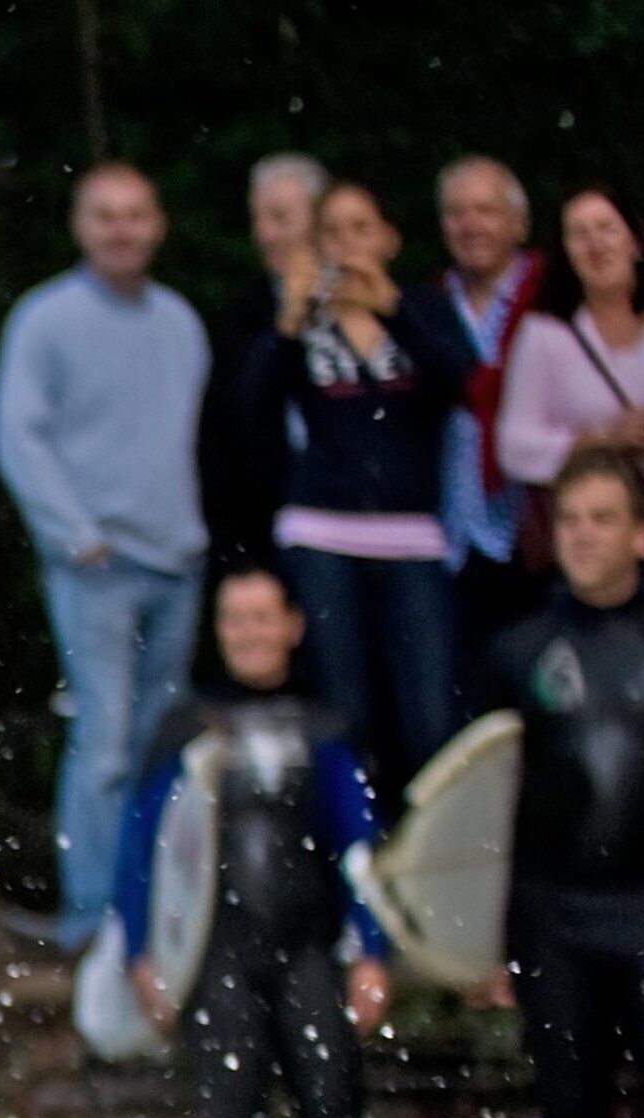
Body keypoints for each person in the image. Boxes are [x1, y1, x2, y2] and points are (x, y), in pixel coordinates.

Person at [115, 566, 392, 1118]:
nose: (250, 633)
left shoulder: (327, 726)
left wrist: (373, 954)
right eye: (236, 619)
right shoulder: (185, 728)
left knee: (333, 1106)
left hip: (306, 951)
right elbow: (141, 849)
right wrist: (144, 953)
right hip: (218, 960)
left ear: (293, 627)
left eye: (263, 618)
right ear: (218, 630)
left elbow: (359, 847)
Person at [471, 442, 644, 1118]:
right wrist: (480, 940)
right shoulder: (516, 650)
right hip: (550, 918)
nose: (583, 536)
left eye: (603, 520)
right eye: (570, 519)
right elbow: (472, 806)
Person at [0, 162, 212, 950]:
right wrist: (74, 533)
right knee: (106, 742)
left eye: (136, 214)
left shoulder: (181, 323)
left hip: (177, 562)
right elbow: (17, 436)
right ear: (82, 226)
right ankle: (93, 918)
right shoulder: (45, 319)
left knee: (161, 745)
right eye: (105, 215)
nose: (122, 229)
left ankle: (155, 912)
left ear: (157, 225)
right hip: (98, 567)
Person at [256, 178, 477, 790]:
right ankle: (352, 862)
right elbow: (249, 409)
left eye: (361, 228)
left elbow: (464, 384)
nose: (347, 243)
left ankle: (427, 861)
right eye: (332, 231)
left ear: (389, 238)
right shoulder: (304, 318)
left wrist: (395, 311)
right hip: (323, 529)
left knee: (432, 712)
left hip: (412, 534)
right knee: (343, 712)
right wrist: (287, 325)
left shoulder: (424, 307)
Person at [498, 187, 644, 601]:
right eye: (579, 234)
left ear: (634, 239)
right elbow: (514, 448)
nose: (595, 244)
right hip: (598, 531)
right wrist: (601, 439)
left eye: (606, 229)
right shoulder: (545, 335)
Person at [436, 157, 548, 657]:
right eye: (456, 213)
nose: (470, 225)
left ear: (518, 223)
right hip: (452, 530)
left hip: (531, 526)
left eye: (485, 210)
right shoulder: (429, 303)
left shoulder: (551, 296)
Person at [204, 151, 331, 574]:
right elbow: (223, 439)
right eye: (257, 219)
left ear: (319, 219)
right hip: (272, 528)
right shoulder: (243, 316)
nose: (264, 234)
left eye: (279, 218)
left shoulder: (368, 305)